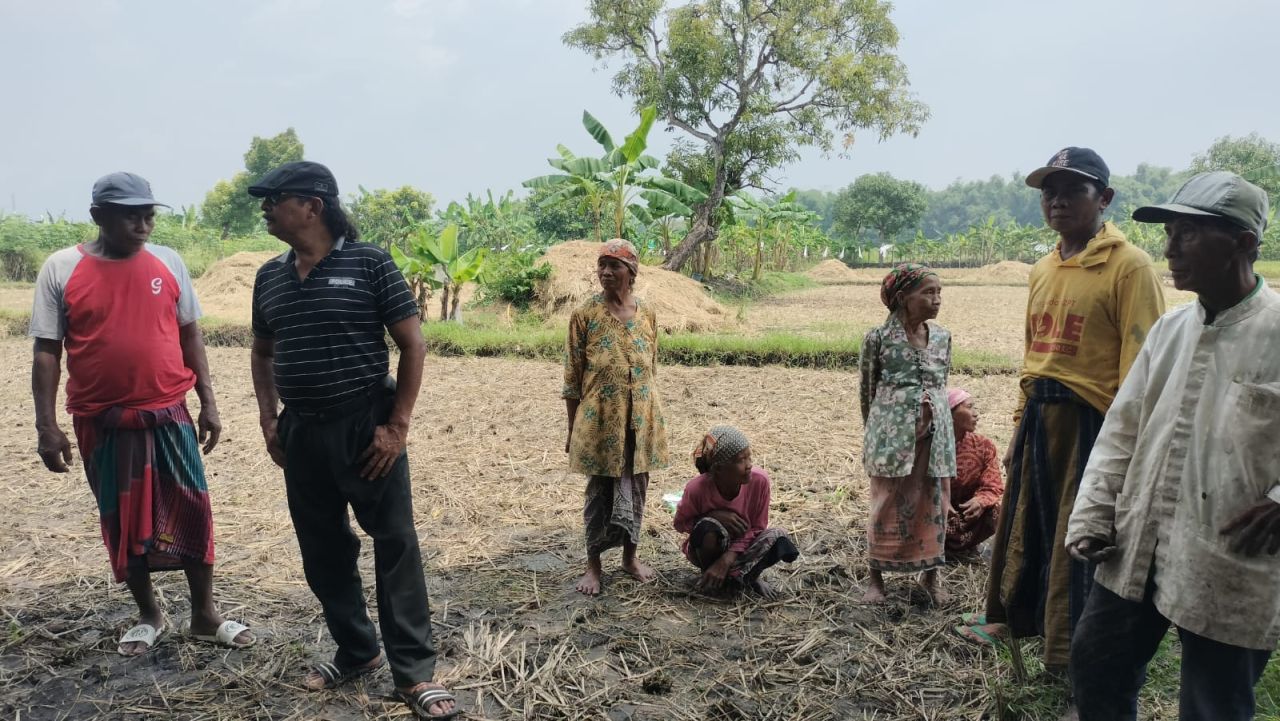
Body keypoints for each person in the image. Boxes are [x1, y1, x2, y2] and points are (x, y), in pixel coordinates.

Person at [247, 162, 458, 719]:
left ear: (313, 206)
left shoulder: (369, 263)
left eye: (275, 198)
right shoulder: (269, 277)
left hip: (366, 426)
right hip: (302, 431)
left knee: (395, 543)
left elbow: (412, 345)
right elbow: (262, 353)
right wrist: (270, 420)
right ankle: (358, 649)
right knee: (322, 548)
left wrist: (397, 426)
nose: (266, 207)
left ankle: (413, 672)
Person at [1066, 172, 1278, 721]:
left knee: (1214, 703)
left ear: (1243, 242)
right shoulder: (1169, 331)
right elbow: (1122, 430)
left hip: (1232, 549)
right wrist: (1093, 512)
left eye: (1189, 233)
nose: (1171, 247)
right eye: (1170, 232)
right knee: (1097, 666)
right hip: (1137, 537)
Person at [30, 172, 252, 656]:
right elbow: (47, 350)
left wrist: (209, 402)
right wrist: (47, 426)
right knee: (120, 517)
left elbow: (190, 333)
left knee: (193, 508)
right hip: (103, 421)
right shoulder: (61, 268)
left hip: (169, 413)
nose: (144, 225)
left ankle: (204, 614)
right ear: (98, 216)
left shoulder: (168, 262)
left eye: (149, 215)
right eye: (131, 215)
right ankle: (149, 613)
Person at [975, 148, 1166, 689]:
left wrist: (1127, 450)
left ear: (1104, 198)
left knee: (1080, 535)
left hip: (1093, 423)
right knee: (1029, 524)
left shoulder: (1129, 266)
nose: (1056, 200)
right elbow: (1033, 352)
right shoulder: (1044, 268)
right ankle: (1018, 620)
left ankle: (1072, 657)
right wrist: (1019, 423)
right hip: (1041, 417)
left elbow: (1143, 364)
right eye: (1048, 192)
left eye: (1072, 190)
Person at [563, 238, 670, 596]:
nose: (606, 272)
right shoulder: (585, 315)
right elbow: (572, 378)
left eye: (614, 266)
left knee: (637, 488)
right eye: (602, 265)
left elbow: (651, 368)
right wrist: (572, 428)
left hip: (640, 419)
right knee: (599, 494)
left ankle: (629, 558)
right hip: (599, 422)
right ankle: (593, 566)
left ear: (631, 271)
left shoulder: (648, 313)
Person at [859, 263, 956, 605]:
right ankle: (876, 580)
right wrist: (875, 436)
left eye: (939, 292)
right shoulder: (878, 338)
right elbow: (867, 392)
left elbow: (942, 386)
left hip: (936, 436)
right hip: (892, 437)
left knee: (935, 501)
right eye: (928, 292)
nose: (937, 299)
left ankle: (931, 578)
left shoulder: (943, 338)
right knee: (886, 502)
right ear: (902, 297)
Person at [672, 426, 800, 598]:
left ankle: (749, 577)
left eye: (749, 457)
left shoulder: (760, 481)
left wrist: (727, 559)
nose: (749, 465)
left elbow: (758, 527)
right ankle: (711, 577)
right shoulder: (697, 489)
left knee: (779, 537)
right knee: (708, 527)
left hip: (744, 549)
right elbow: (680, 523)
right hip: (708, 549)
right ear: (719, 469)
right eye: (741, 460)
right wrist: (712, 516)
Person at [944, 388, 1002, 557]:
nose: (976, 414)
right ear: (950, 414)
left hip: (967, 516)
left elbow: (993, 485)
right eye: (969, 407)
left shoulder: (984, 446)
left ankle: (968, 546)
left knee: (998, 508)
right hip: (936, 516)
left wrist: (980, 502)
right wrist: (940, 500)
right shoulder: (928, 446)